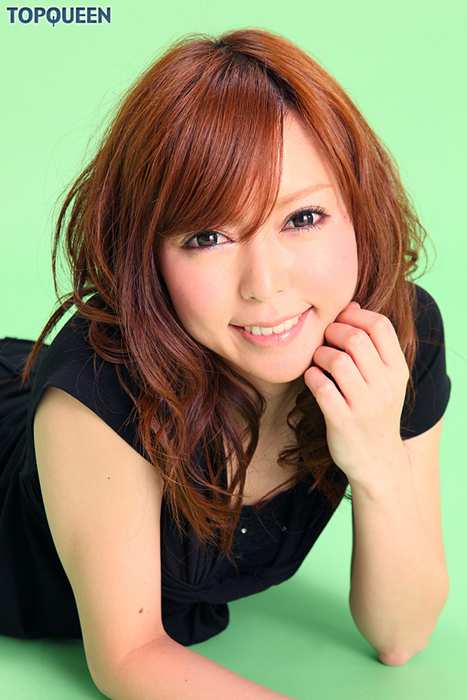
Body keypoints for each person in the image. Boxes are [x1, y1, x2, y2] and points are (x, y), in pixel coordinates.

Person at [0, 27, 451, 700]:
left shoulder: (394, 339)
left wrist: (379, 464)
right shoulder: (96, 394)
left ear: (360, 207)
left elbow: (400, 635)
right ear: (147, 256)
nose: (264, 285)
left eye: (303, 218)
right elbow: (129, 655)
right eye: (208, 236)